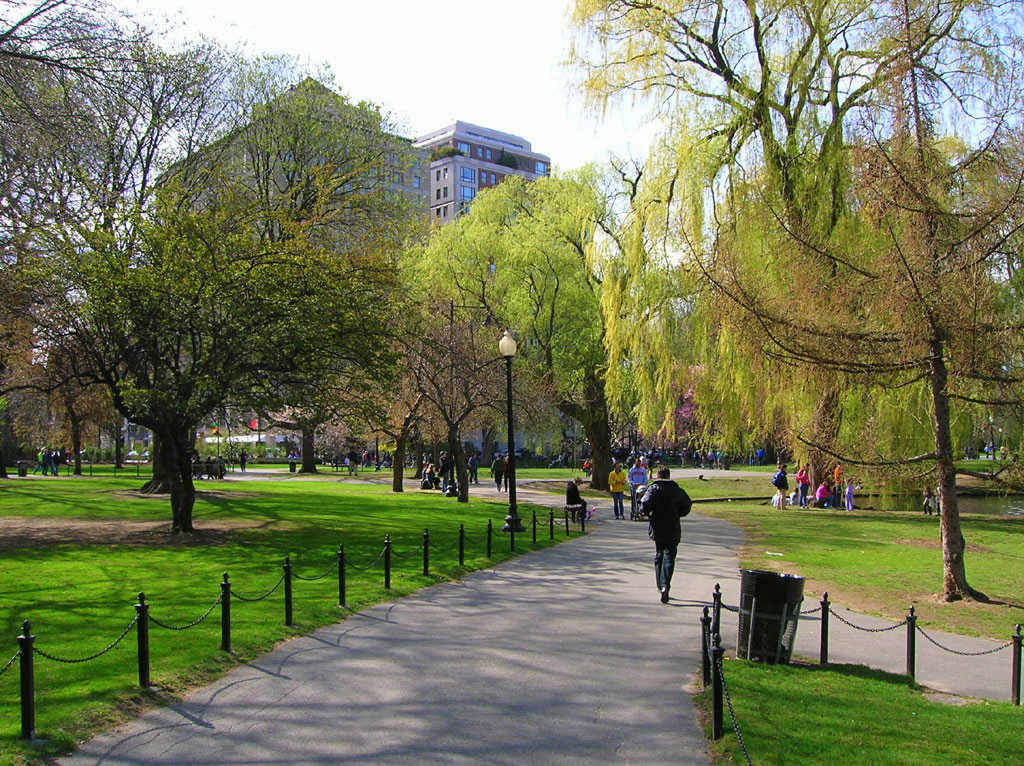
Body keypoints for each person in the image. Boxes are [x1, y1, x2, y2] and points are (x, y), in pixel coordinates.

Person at [640, 465, 692, 603]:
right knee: (669, 556)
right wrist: (678, 513)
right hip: (672, 526)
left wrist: (649, 513)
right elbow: (687, 505)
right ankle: (665, 585)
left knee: (659, 554)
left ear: (658, 475)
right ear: (668, 476)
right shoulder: (677, 490)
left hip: (657, 526)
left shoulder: (653, 489)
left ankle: (660, 584)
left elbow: (644, 504)